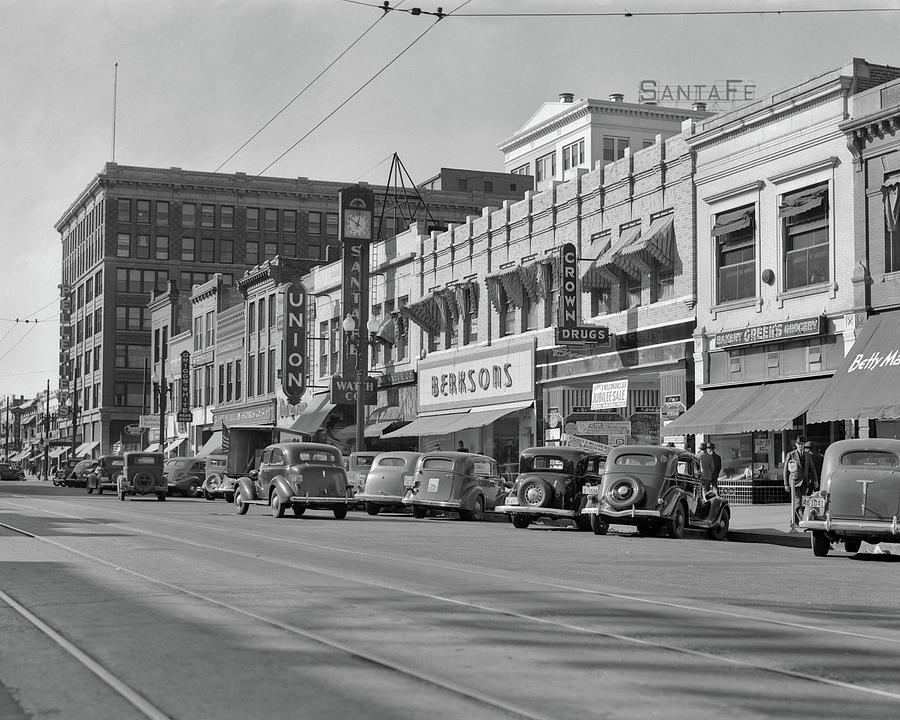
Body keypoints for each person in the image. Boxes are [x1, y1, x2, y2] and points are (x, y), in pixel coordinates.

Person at [784, 435, 819, 529]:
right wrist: (786, 484)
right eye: (799, 444)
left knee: (802, 503)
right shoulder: (791, 454)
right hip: (794, 482)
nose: (800, 446)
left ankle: (793, 522)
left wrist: (815, 480)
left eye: (802, 444)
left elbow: (812, 468)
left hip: (805, 482)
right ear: (796, 444)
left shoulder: (808, 455)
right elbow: (786, 471)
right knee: (798, 502)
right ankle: (802, 521)